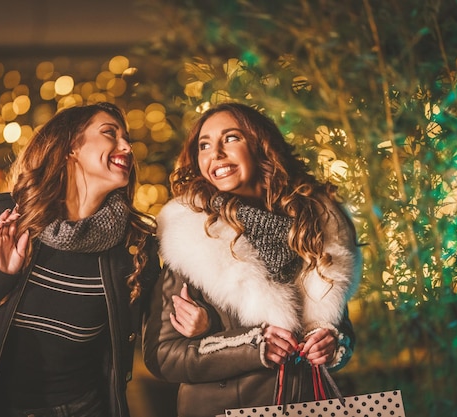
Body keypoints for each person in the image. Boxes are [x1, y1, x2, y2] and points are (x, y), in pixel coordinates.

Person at [0, 102, 161, 417]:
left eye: (126, 138)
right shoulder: (0, 219)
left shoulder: (136, 246)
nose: (127, 147)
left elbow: (159, 345)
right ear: (70, 147)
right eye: (110, 134)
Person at [142, 102, 362, 417]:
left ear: (261, 146)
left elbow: (342, 328)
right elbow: (162, 356)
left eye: (230, 138)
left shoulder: (315, 229)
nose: (215, 153)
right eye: (204, 146)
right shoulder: (193, 239)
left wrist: (333, 343)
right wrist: (250, 347)